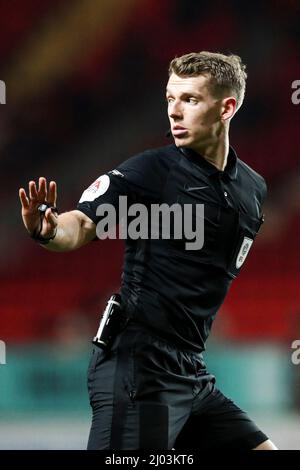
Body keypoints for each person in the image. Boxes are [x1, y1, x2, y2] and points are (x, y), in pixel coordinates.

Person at [19, 51, 277, 450]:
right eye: (170, 99)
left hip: (191, 373)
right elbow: (84, 223)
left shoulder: (253, 189)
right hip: (141, 368)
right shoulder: (153, 171)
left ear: (227, 107)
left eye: (189, 99)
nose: (174, 111)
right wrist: (50, 229)